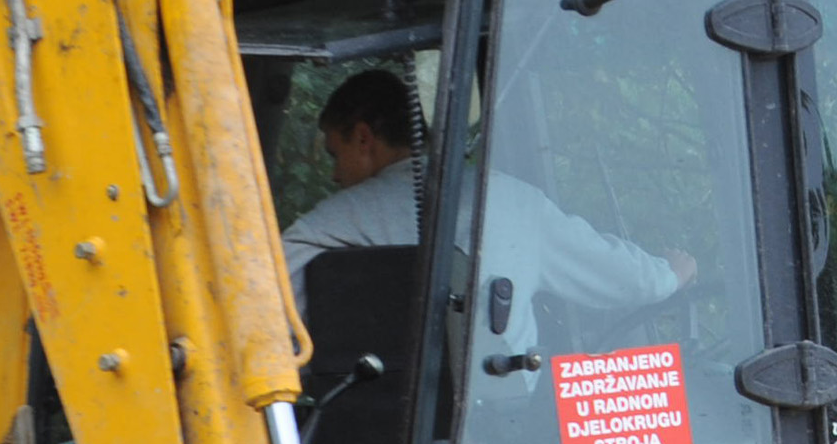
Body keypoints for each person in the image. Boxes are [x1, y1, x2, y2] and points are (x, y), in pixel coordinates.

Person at [279, 68, 695, 335]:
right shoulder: (511, 201)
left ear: (364, 137)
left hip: (366, 431)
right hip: (500, 427)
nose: (334, 174)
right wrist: (672, 273)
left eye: (335, 154)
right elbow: (620, 277)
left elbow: (266, 318)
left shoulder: (329, 227)